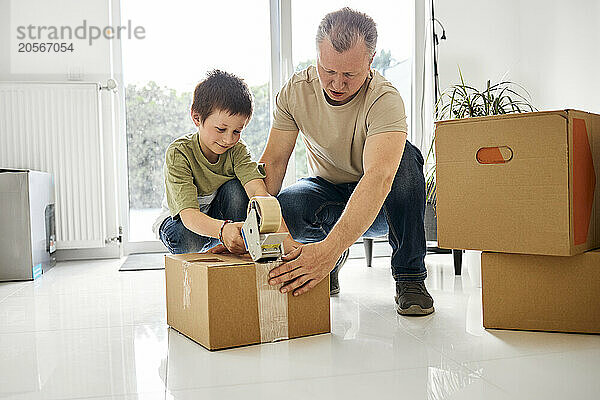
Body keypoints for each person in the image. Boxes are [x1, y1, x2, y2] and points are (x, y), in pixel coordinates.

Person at [260, 8, 434, 315]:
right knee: (284, 208)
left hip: (379, 203)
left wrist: (327, 252)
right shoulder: (295, 92)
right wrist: (253, 226)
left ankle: (409, 277)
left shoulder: (384, 99)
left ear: (370, 60)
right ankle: (327, 255)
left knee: (405, 157)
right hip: (325, 192)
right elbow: (273, 165)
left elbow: (379, 178)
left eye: (349, 74)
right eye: (328, 70)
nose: (337, 84)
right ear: (317, 56)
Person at [153, 70, 289, 255]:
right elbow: (189, 216)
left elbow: (259, 193)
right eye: (221, 129)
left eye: (237, 131)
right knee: (187, 237)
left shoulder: (237, 150)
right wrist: (223, 230)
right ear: (197, 118)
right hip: (180, 222)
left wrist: (285, 240)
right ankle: (220, 241)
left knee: (236, 189)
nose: (228, 139)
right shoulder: (179, 153)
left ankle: (228, 245)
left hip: (218, 219)